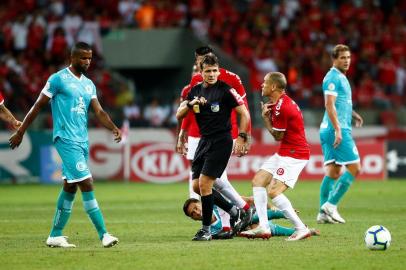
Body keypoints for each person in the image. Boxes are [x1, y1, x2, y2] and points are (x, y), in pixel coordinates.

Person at [9, 42, 122, 248]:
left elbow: (98, 111)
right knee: (87, 183)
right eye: (83, 58)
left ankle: (55, 234)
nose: (87, 62)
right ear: (73, 58)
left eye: (90, 58)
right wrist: (21, 131)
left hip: (82, 141)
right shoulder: (57, 79)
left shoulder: (89, 84)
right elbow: (37, 106)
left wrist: (113, 127)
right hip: (65, 139)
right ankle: (104, 234)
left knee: (70, 187)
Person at [176, 54, 251, 241]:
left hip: (221, 141)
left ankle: (206, 230)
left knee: (205, 184)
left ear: (219, 71)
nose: (211, 74)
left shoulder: (226, 90)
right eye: (208, 71)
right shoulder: (194, 91)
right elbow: (179, 114)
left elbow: (244, 113)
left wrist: (242, 136)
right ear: (200, 72)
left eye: (214, 70)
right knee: (196, 186)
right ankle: (235, 212)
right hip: (204, 141)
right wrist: (192, 104)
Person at [240, 72, 312, 241]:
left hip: (295, 154)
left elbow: (277, 136)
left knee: (274, 191)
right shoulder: (280, 103)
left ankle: (301, 228)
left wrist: (266, 118)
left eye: (265, 83)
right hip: (285, 151)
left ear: (273, 87)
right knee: (258, 181)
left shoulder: (281, 107)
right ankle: (264, 227)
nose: (261, 85)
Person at [317, 44, 363, 224]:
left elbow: (340, 103)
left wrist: (353, 114)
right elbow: (329, 104)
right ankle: (330, 205)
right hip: (336, 128)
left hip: (332, 127)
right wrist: (337, 129)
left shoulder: (340, 77)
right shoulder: (332, 77)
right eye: (343, 57)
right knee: (355, 168)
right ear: (334, 59)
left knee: (334, 171)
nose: (346, 61)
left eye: (348, 57)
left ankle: (322, 213)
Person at [183, 198, 320, 239]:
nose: (197, 212)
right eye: (193, 213)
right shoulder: (209, 231)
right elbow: (234, 234)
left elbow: (242, 200)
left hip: (249, 214)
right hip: (246, 227)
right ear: (193, 219)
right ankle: (306, 231)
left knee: (254, 217)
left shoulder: (216, 205)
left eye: (196, 207)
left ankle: (285, 213)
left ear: (201, 203)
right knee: (266, 229)